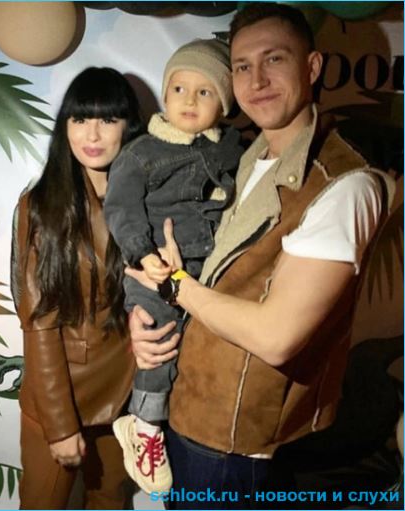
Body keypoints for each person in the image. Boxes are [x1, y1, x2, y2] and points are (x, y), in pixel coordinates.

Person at [127, 3, 395, 509]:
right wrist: (151, 326)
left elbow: (277, 337)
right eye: (243, 66)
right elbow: (220, 283)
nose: (257, 80)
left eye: (274, 59)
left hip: (238, 447)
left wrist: (174, 286)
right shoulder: (247, 157)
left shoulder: (344, 184)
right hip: (190, 412)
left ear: (311, 67)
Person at [104, 38, 243, 494]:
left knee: (198, 349)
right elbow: (121, 208)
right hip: (154, 270)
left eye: (205, 92)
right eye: (179, 89)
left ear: (224, 103)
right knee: (158, 332)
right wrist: (142, 253)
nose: (189, 101)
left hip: (208, 271)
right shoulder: (143, 152)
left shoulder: (233, 150)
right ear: (165, 94)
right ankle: (144, 424)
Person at [11, 67, 144, 510]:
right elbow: (39, 323)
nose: (92, 134)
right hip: (63, 392)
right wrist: (60, 425)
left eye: (108, 119)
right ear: (64, 126)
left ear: (128, 126)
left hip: (127, 395)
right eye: (80, 118)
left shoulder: (148, 198)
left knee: (110, 501)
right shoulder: (41, 206)